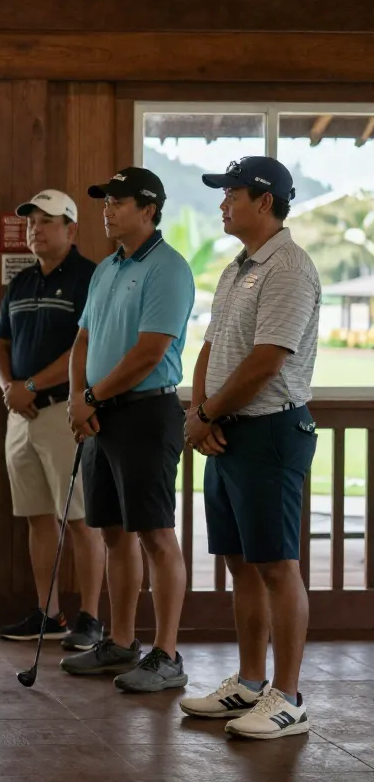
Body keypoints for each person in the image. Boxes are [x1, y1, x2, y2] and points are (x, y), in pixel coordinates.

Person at [179, 157, 320, 739]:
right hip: (228, 430)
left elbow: (267, 360)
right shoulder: (235, 268)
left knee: (276, 565)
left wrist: (208, 412)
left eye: (232, 193)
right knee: (241, 563)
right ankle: (250, 682)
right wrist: (199, 409)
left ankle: (288, 696)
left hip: (271, 432)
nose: (222, 203)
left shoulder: (289, 267)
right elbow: (213, 346)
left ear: (265, 201)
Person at [60, 167, 195, 693]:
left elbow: (150, 351)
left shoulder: (169, 268)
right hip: (101, 413)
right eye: (105, 201)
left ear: (148, 209)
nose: (107, 209)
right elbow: (83, 341)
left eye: (117, 201)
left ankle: (166, 654)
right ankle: (120, 642)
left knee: (156, 534)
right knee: (114, 533)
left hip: (145, 412)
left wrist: (91, 397)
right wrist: (79, 398)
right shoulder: (107, 268)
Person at [0, 189, 105, 650]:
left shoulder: (90, 279)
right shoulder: (20, 282)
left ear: (71, 229)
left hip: (63, 411)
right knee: (37, 517)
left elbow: (87, 347)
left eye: (47, 221)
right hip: (20, 414)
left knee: (79, 519)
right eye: (32, 221)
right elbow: (0, 344)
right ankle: (49, 613)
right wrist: (9, 389)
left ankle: (91, 619)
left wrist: (30, 386)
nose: (36, 229)